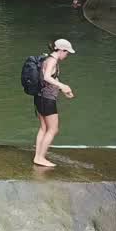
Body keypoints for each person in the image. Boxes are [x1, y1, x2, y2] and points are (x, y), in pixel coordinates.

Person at [33, 38, 76, 168]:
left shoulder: (46, 59)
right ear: (61, 50)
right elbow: (46, 77)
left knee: (44, 128)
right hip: (47, 100)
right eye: (67, 53)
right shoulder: (52, 61)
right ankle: (41, 157)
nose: (67, 55)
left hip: (39, 97)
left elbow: (51, 78)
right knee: (53, 129)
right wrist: (63, 86)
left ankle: (37, 156)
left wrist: (63, 90)